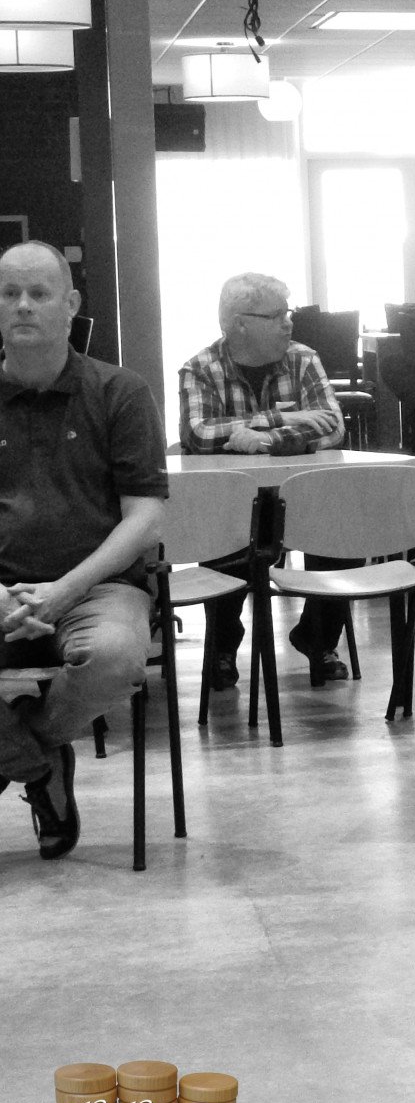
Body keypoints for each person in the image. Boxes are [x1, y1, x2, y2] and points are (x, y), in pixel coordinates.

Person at [0, 241, 167, 860]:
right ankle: (37, 767)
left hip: (99, 590)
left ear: (70, 304)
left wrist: (64, 589)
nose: (23, 305)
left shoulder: (119, 392)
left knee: (116, 659)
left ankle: (21, 750)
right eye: (9, 293)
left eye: (39, 293)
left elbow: (145, 517)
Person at [177, 272, 350, 688]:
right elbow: (198, 434)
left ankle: (317, 639)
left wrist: (265, 439)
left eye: (287, 313)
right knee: (227, 536)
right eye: (276, 316)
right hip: (234, 507)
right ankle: (222, 648)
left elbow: (332, 428)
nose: (289, 323)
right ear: (240, 323)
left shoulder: (303, 359)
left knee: (345, 529)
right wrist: (279, 418)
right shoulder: (200, 369)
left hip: (302, 500)